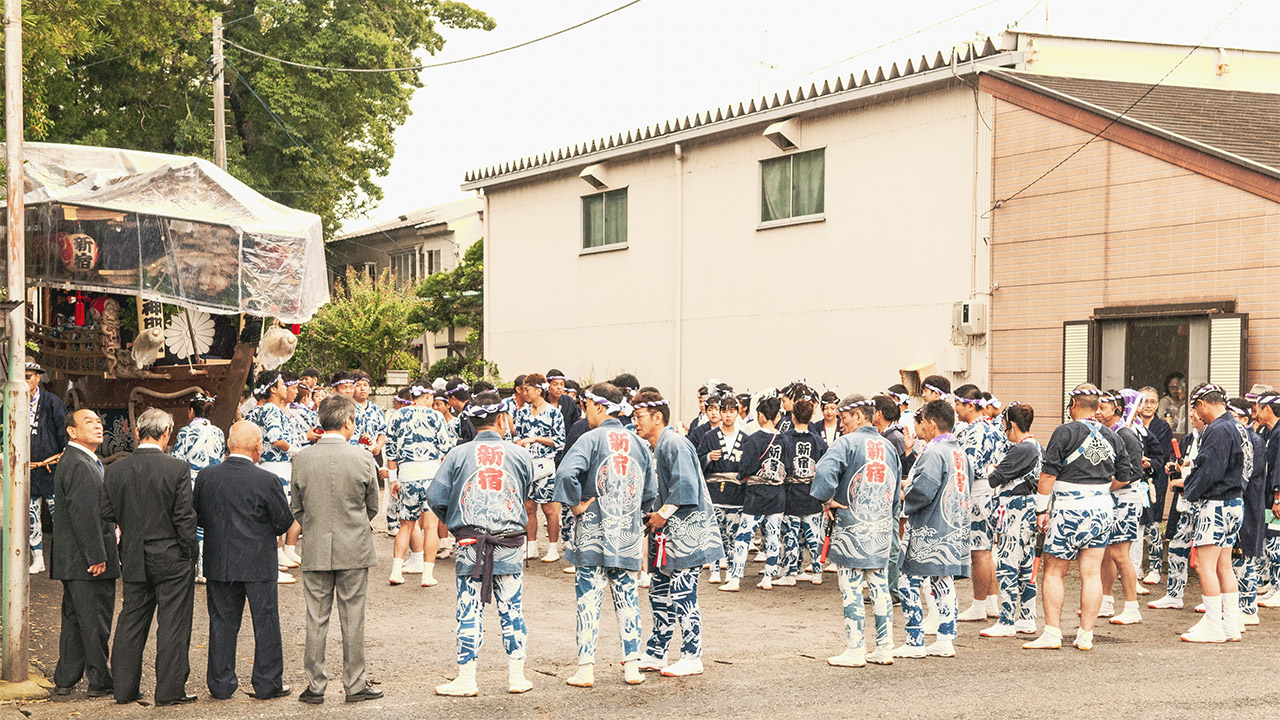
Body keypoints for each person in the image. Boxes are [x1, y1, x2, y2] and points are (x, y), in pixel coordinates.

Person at [428, 392, 536, 697]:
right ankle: (517, 676)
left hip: (470, 542)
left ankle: (467, 678)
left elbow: (435, 497)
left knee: (468, 610)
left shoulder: (457, 454)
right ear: (501, 419)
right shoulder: (520, 454)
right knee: (512, 610)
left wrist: (456, 521)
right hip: (509, 543)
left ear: (473, 423)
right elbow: (526, 491)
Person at [553, 383, 657, 688]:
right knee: (628, 600)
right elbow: (650, 490)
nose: (584, 411)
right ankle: (632, 666)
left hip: (592, 533)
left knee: (588, 601)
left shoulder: (590, 438)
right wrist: (634, 512)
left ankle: (586, 669)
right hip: (627, 534)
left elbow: (565, 473)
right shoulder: (638, 443)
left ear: (599, 406)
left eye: (586, 405)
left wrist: (576, 503)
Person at [101, 409, 198, 706]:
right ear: (166, 433)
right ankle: (169, 691)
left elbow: (106, 512)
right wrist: (190, 553)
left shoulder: (116, 470)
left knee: (131, 621)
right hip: (171, 554)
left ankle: (124, 689)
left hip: (133, 552)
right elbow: (184, 518)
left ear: (137, 432)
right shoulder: (177, 468)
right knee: (173, 625)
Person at [291, 396, 384, 704]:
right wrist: (355, 524)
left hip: (316, 545)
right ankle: (354, 683)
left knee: (316, 618)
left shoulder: (302, 458)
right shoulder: (363, 458)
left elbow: (297, 507)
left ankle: (315, 685)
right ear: (347, 422)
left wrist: (314, 526)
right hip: (354, 546)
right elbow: (373, 505)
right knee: (353, 617)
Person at [195, 422, 294, 700]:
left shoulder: (207, 476)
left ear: (229, 444)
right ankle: (267, 683)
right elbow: (283, 521)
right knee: (266, 622)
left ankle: (220, 684)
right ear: (258, 447)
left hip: (220, 559)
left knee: (222, 623)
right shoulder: (267, 480)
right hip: (258, 560)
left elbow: (198, 515)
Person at [1023, 385, 1125, 652]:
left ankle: (1052, 633)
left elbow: (1048, 474)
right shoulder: (1113, 436)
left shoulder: (1064, 432)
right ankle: (1086, 635)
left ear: (1073, 405)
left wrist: (1041, 510)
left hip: (1068, 508)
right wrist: (1100, 490)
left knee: (1054, 571)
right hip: (1101, 508)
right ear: (1097, 407)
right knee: (1091, 573)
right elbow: (1125, 475)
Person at [632, 390, 724, 677]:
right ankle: (656, 652)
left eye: (640, 416)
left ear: (657, 417)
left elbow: (685, 487)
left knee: (683, 594)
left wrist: (661, 514)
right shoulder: (655, 446)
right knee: (659, 593)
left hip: (687, 533)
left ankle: (692, 655)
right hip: (666, 535)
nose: (635, 422)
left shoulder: (675, 443)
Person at [811, 394, 901, 667]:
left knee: (851, 587)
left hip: (851, 525)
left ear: (859, 416)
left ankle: (855, 648)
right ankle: (884, 647)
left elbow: (824, 472)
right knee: (880, 587)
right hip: (880, 526)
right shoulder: (888, 446)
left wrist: (826, 499)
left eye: (844, 417)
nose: (841, 423)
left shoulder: (846, 443)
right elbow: (895, 491)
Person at [51, 408, 119, 699]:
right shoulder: (79, 463)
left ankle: (65, 679)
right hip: (86, 560)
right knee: (94, 622)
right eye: (89, 422)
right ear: (72, 431)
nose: (98, 426)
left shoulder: (81, 460)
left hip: (74, 560)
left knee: (76, 620)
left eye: (99, 422)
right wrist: (97, 556)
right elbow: (86, 515)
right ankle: (100, 680)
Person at [894, 399, 970, 659]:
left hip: (930, 525)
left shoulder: (934, 452)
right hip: (954, 524)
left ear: (932, 423)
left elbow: (924, 489)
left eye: (924, 421)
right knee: (943, 580)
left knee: (907, 579)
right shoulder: (959, 452)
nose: (922, 426)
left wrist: (906, 495)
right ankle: (945, 638)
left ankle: (915, 640)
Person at [1178, 384, 1248, 643]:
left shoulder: (1217, 429)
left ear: (1203, 404)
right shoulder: (1237, 426)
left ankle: (1213, 625)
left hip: (1216, 503)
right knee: (1224, 566)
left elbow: (1210, 470)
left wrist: (1189, 489)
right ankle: (1229, 625)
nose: (1196, 414)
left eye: (1195, 408)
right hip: (1235, 500)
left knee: (1204, 565)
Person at [980, 402, 1042, 638]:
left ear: (1011, 424)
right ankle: (1027, 617)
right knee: (1026, 565)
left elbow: (994, 478)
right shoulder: (1037, 447)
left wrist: (992, 469)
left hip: (1014, 511)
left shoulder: (1021, 449)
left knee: (1007, 564)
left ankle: (1006, 619)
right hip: (1030, 508)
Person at [386, 380, 454, 587]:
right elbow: (447, 448)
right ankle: (427, 575)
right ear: (428, 396)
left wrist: (393, 479)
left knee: (406, 525)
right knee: (431, 527)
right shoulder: (435, 416)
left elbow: (390, 451)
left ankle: (396, 571)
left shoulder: (397, 416)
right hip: (431, 473)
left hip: (407, 474)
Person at [720, 393, 791, 592]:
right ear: (776, 416)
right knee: (773, 536)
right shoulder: (784, 440)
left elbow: (745, 467)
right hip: (777, 493)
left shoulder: (753, 439)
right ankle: (768, 577)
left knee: (744, 535)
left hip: (756, 494)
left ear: (760, 415)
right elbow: (788, 468)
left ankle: (735, 578)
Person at [954, 385, 1005, 623]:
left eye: (958, 404)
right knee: (986, 551)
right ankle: (991, 603)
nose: (956, 409)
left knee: (979, 552)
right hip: (991, 491)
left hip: (978, 492)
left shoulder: (974, 431)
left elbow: (970, 467)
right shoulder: (992, 428)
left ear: (969, 405)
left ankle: (979, 605)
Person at [248, 372, 303, 582]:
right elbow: (275, 438)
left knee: (271, 516)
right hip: (276, 467)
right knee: (275, 516)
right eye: (282, 384)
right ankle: (272, 564)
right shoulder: (271, 409)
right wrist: (297, 450)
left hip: (267, 466)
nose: (285, 387)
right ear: (273, 389)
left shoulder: (259, 409)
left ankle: (277, 558)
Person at [1096, 390, 1144, 625]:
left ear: (1117, 409)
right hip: (1111, 496)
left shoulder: (1126, 434)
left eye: (1102, 407)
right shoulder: (1106, 432)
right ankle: (1105, 601)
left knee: (1120, 554)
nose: (1097, 412)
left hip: (1125, 497)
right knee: (1105, 552)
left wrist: (1105, 487)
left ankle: (1132, 606)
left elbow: (1134, 472)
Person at [1148, 411, 1204, 610]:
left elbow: (1208, 471)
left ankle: (1213, 600)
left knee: (1207, 556)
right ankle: (1174, 594)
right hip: (1185, 503)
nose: (1192, 415)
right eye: (1192, 410)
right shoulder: (1189, 438)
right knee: (1176, 549)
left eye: (1196, 410)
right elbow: (1182, 465)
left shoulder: (1214, 436)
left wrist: (1186, 481)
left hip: (1206, 504)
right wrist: (1174, 468)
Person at [172, 393, 226, 584]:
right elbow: (221, 458)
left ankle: (193, 564)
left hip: (192, 482)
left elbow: (178, 460)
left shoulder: (185, 432)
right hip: (214, 482)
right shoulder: (219, 432)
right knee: (209, 524)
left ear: (191, 412)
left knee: (191, 524)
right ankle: (207, 567)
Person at [514, 373, 567, 562]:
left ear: (538, 390)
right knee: (528, 507)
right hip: (527, 464)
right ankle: (532, 546)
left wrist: (536, 439)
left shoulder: (553, 413)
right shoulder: (522, 412)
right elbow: (516, 435)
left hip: (545, 463)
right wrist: (520, 442)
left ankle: (552, 548)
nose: (525, 393)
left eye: (527, 389)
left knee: (549, 509)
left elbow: (560, 440)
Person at [778, 397, 827, 586]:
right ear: (811, 416)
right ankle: (817, 573)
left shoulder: (784, 438)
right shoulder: (818, 440)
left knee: (790, 535)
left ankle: (791, 573)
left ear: (793, 416)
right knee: (813, 536)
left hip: (791, 493)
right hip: (812, 494)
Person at [698, 394, 746, 584]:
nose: (728, 415)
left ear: (737, 413)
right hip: (715, 492)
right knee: (715, 534)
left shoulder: (745, 438)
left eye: (732, 411)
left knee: (733, 536)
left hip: (736, 494)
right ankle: (715, 570)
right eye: (724, 411)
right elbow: (697, 459)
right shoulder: (709, 437)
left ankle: (732, 572)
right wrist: (708, 457)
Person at [26, 358, 67, 575]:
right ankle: (38, 558)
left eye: (28, 377)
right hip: (28, 470)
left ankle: (65, 559)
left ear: (38, 378)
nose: (24, 381)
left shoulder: (52, 402)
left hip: (52, 468)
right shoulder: (14, 400)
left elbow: (63, 431)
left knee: (59, 516)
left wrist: (66, 454)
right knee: (31, 517)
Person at [1227, 398, 1266, 626]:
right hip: (1239, 502)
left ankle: (1249, 608)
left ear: (1244, 418)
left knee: (1244, 556)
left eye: (1233, 417)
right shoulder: (1238, 436)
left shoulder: (1254, 440)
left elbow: (1248, 475)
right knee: (1235, 558)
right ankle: (1239, 606)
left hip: (1248, 502)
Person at [1137, 386, 1174, 586]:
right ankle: (1134, 566)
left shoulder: (1162, 427)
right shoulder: (1132, 424)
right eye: (1144, 401)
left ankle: (1155, 567)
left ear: (1158, 403)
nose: (1148, 405)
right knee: (1134, 523)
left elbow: (1163, 454)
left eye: (1153, 401)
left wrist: (1148, 461)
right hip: (1134, 478)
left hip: (1154, 479)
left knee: (1151, 523)